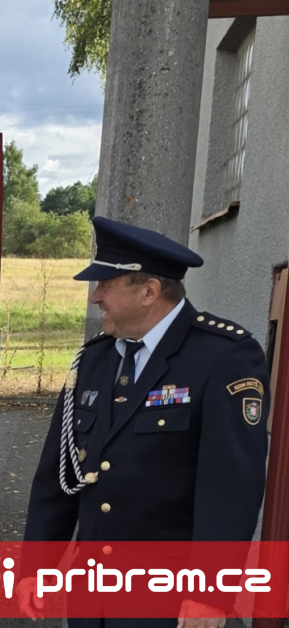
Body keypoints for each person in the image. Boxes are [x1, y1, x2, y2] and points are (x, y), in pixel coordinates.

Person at [18, 216, 269, 628]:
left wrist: (210, 593)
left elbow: (230, 486)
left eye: (106, 285)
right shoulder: (94, 359)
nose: (96, 297)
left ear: (149, 291)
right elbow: (58, 475)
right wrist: (37, 567)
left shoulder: (222, 357)